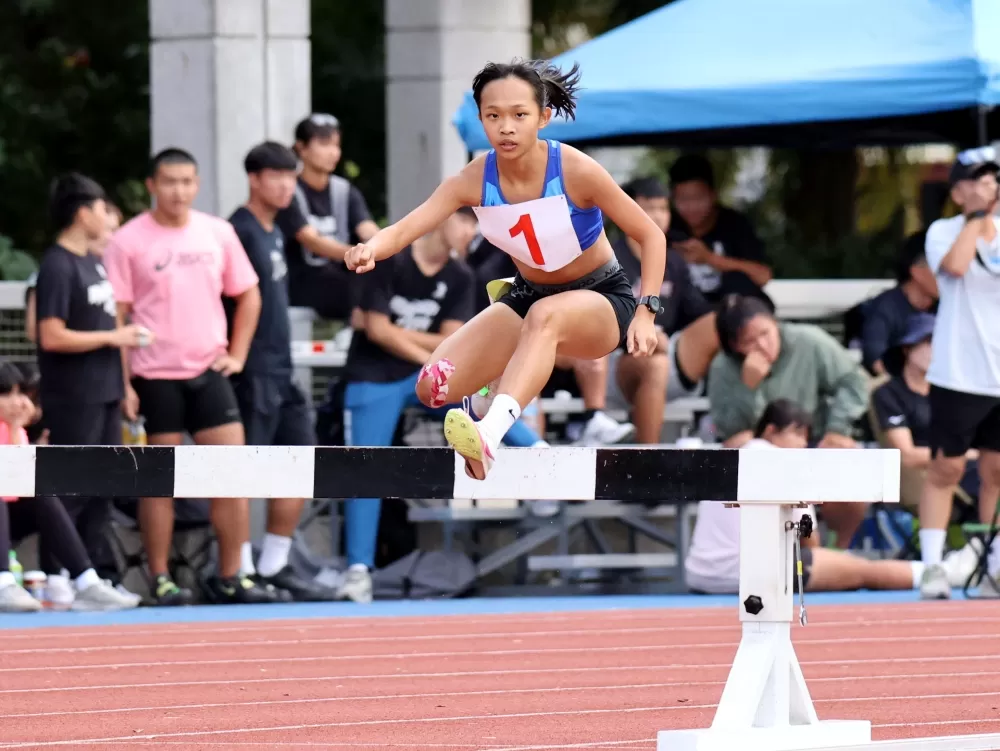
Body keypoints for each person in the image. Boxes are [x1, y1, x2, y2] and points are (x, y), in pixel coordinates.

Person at [345, 59, 665, 479]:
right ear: (481, 119)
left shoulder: (575, 170)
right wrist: (370, 248)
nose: (506, 128)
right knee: (432, 387)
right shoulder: (474, 179)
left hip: (602, 298)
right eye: (494, 116)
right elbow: (408, 226)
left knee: (545, 316)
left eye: (519, 115)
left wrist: (646, 310)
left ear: (543, 117)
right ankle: (481, 397)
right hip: (529, 294)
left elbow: (651, 235)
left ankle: (489, 433)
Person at [104, 147, 273, 606]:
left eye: (186, 182)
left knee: (232, 474)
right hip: (153, 375)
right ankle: (159, 578)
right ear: (152, 186)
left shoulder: (217, 233)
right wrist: (123, 386)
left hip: (208, 370)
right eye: (169, 182)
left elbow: (250, 295)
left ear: (196, 185)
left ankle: (231, 575)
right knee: (160, 482)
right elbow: (117, 316)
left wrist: (236, 355)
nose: (178, 191)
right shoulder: (127, 240)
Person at [685, 399, 956, 594]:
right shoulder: (784, 463)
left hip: (700, 574)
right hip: (751, 573)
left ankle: (940, 569)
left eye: (806, 438)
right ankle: (945, 572)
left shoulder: (731, 456)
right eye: (797, 434)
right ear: (770, 431)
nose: (803, 444)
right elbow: (810, 543)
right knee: (862, 570)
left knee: (842, 564)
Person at [228, 142, 337, 602]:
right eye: (277, 177)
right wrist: (234, 357)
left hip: (282, 366)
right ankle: (242, 569)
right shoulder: (239, 229)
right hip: (251, 369)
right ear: (254, 179)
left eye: (292, 178)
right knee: (242, 472)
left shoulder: (277, 230)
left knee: (299, 459)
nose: (286, 186)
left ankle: (275, 562)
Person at [33, 174, 146, 608]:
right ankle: (58, 574)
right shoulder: (58, 265)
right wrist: (114, 340)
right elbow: (51, 335)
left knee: (103, 485)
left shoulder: (94, 262)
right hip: (73, 393)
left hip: (105, 391)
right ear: (83, 213)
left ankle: (91, 574)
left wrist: (124, 383)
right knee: (69, 485)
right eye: (102, 208)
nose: (108, 216)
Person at [709, 294, 870, 547]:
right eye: (750, 341)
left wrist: (837, 428)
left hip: (810, 441)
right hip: (760, 450)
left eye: (766, 333)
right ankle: (770, 549)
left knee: (848, 458)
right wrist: (749, 389)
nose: (763, 345)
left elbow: (854, 380)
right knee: (739, 443)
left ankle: (838, 550)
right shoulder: (722, 367)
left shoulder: (807, 340)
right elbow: (732, 430)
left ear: (775, 323)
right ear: (735, 346)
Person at [916, 147, 1000, 599]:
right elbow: (954, 267)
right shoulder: (943, 231)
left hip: (998, 374)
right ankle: (931, 566)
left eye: (991, 178)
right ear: (957, 191)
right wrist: (975, 218)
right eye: (975, 179)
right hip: (958, 373)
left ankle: (992, 564)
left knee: (997, 472)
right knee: (945, 468)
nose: (986, 185)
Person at [0, 362, 137, 612]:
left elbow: (20, 483)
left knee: (41, 492)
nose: (16, 402)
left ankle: (86, 581)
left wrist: (15, 428)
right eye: (6, 394)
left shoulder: (10, 428)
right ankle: (3, 584)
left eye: (19, 393)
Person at [607, 177, 718, 443]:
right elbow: (597, 318)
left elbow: (697, 312)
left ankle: (717, 422)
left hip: (666, 354)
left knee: (723, 324)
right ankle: (647, 458)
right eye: (649, 208)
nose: (658, 216)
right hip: (612, 360)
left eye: (663, 208)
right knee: (654, 364)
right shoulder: (607, 256)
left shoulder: (674, 261)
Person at [276, 114, 380, 322]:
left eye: (336, 145)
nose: (333, 152)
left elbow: (367, 229)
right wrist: (358, 254)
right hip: (303, 280)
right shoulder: (288, 191)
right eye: (324, 144)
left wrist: (383, 246)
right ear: (301, 148)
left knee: (380, 283)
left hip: (342, 274)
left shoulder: (344, 190)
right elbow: (312, 241)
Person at [667, 154, 773, 307]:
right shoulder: (668, 228)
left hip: (732, 315)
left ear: (713, 195)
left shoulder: (734, 225)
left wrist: (709, 258)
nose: (691, 207)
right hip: (687, 319)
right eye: (683, 199)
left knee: (737, 281)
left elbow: (763, 276)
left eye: (698, 198)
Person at [860, 231, 938, 376]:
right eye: (939, 267)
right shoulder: (886, 307)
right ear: (916, 271)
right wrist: (901, 392)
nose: (946, 275)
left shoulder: (948, 307)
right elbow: (875, 358)